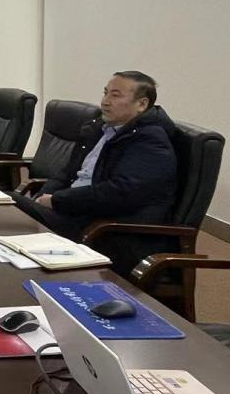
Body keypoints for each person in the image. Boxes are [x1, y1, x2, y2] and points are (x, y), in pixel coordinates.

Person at [12, 71, 178, 276]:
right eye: (105, 93)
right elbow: (67, 173)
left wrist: (57, 200)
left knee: (10, 206)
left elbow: (119, 193)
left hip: (102, 227)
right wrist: (43, 197)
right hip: (76, 211)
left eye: (115, 95)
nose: (105, 101)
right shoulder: (100, 129)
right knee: (7, 211)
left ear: (141, 104)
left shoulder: (150, 141)